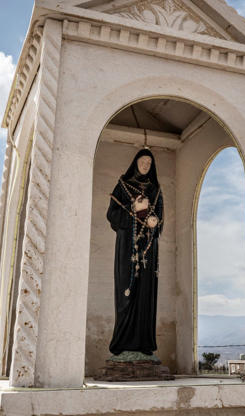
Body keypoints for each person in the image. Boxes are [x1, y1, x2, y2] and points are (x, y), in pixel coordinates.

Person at [106, 148, 164, 356]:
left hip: (148, 249)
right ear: (136, 163)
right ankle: (122, 342)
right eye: (143, 162)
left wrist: (154, 222)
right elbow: (112, 214)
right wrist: (133, 210)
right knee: (127, 290)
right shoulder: (123, 185)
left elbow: (160, 220)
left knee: (145, 292)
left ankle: (144, 343)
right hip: (128, 246)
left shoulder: (155, 190)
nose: (146, 165)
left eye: (149, 163)